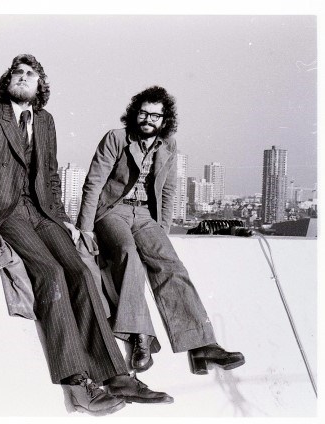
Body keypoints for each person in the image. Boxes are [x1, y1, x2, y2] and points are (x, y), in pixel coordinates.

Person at [0, 55, 172, 415]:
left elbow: (51, 176)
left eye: (31, 74)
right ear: (7, 81)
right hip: (5, 212)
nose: (23, 78)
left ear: (40, 87)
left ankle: (117, 375)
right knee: (50, 274)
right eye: (18, 73)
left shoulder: (45, 121)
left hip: (42, 213)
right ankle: (78, 384)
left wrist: (63, 220)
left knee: (81, 273)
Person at [76, 86, 245, 375]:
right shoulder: (116, 138)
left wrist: (161, 230)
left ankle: (202, 346)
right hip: (113, 211)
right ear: (134, 113)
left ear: (164, 120)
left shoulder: (168, 146)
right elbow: (93, 183)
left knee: (171, 264)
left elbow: (168, 189)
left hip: (145, 215)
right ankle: (140, 338)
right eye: (144, 113)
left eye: (156, 115)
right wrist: (85, 229)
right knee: (128, 254)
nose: (149, 119)